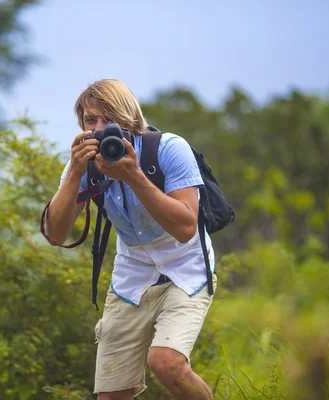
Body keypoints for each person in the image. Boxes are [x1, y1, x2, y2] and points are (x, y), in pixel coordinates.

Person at [44, 78, 217, 400]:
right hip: (132, 274)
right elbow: (55, 234)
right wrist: (75, 174)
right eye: (90, 120)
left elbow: (185, 229)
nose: (100, 128)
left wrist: (134, 177)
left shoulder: (167, 148)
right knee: (112, 395)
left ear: (130, 119)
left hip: (186, 267)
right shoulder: (84, 164)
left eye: (110, 119)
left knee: (166, 362)